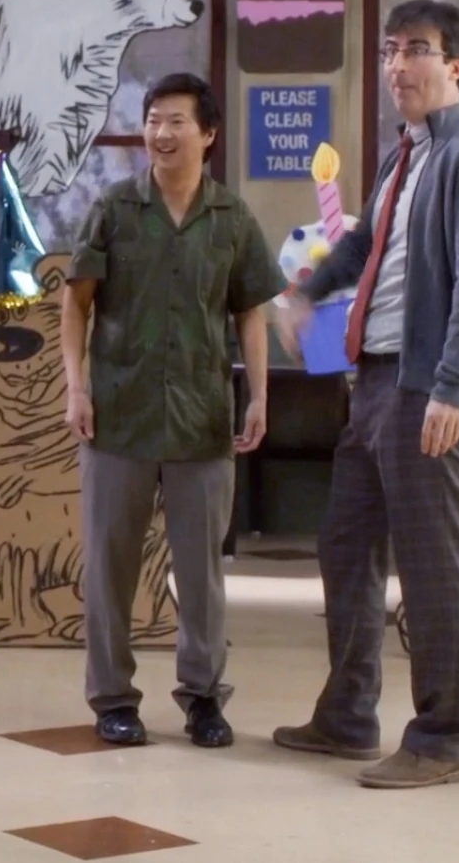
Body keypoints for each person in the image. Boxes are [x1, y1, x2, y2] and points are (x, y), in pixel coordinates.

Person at [271, 0, 459, 789]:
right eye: (388, 50)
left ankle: (441, 739)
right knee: (345, 547)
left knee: (432, 567)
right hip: (372, 384)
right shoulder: (400, 157)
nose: (396, 65)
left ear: (454, 66)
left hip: (425, 389)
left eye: (415, 49)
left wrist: (452, 386)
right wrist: (306, 294)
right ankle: (346, 717)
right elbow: (362, 244)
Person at [58, 72, 284, 751]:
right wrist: (76, 387)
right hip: (118, 415)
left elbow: (250, 312)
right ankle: (112, 700)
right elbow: (76, 303)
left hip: (201, 418)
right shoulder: (114, 209)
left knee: (201, 573)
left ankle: (204, 698)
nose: (160, 132)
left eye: (176, 121)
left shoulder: (232, 217)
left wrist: (258, 396)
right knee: (110, 568)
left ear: (207, 134)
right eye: (153, 119)